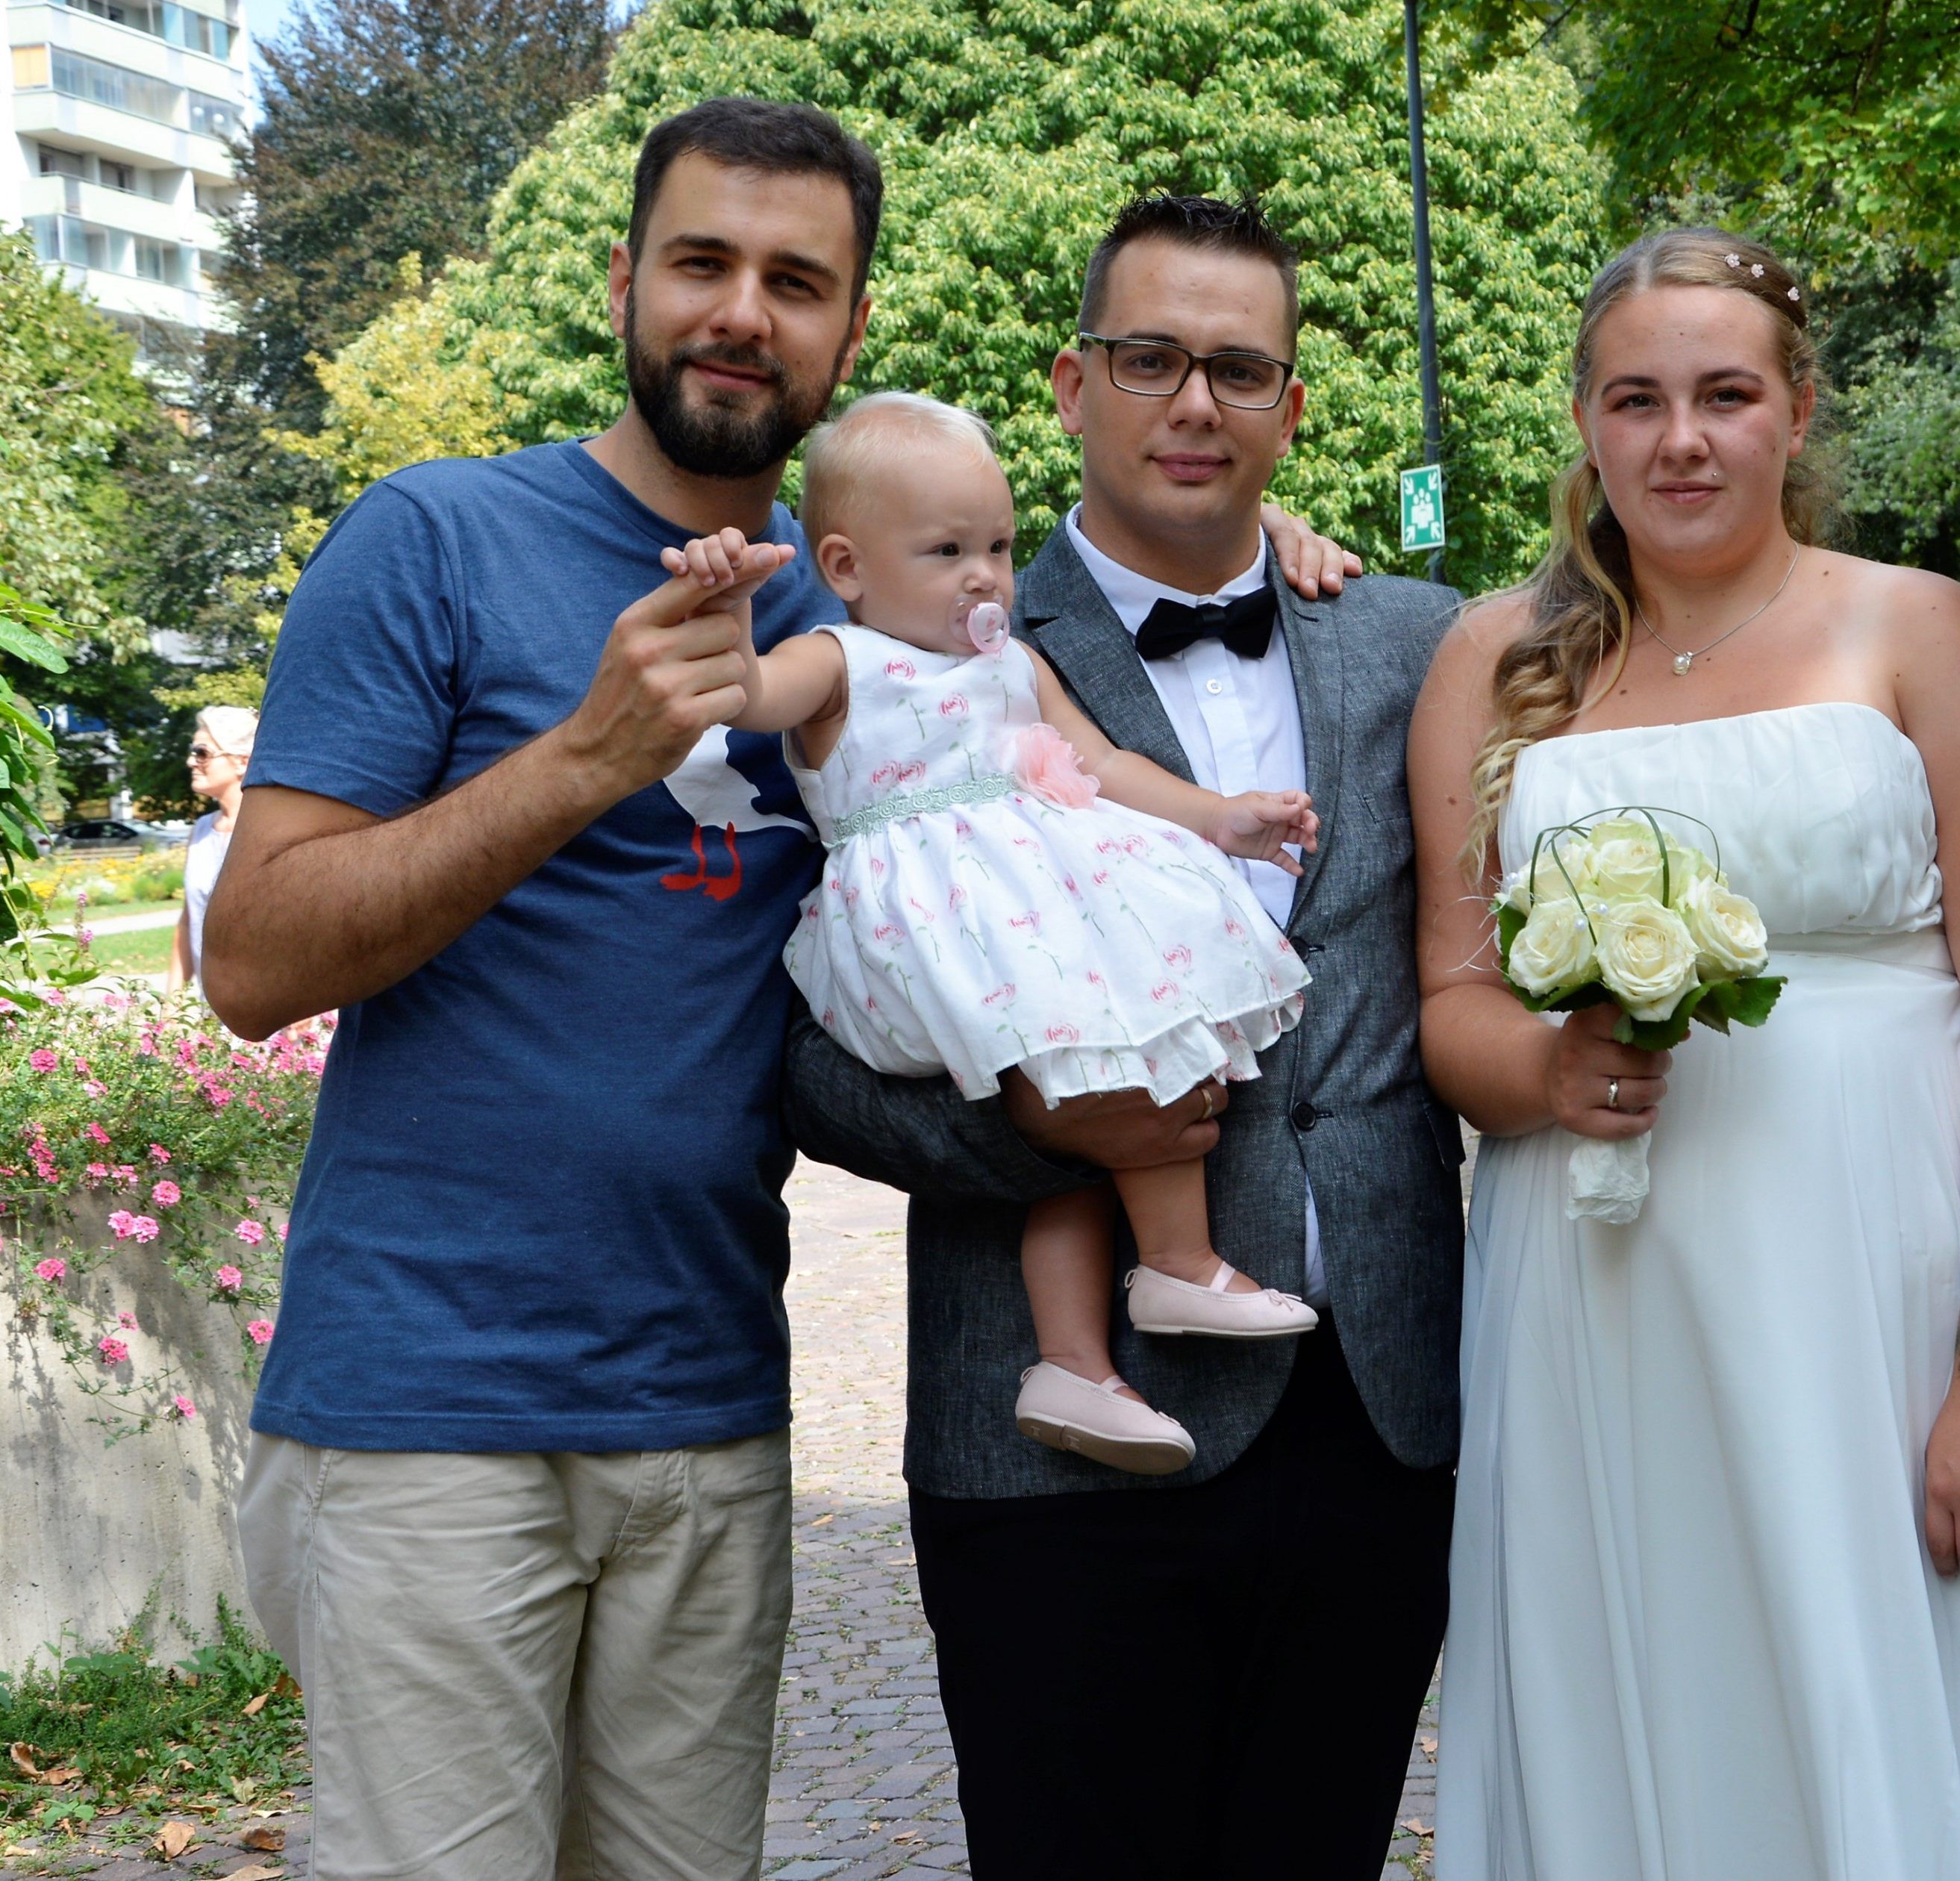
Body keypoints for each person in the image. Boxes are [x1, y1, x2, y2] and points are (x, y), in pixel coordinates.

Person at [199, 97, 884, 1880]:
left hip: (705, 1410)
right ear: (624, 285)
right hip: (430, 1409)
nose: (743, 310)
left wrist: (1283, 559)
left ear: (850, 327)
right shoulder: (433, 538)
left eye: (795, 279)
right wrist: (587, 752)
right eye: (703, 262)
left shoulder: (845, 619)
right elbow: (253, 959)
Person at [781, 193, 1461, 1880]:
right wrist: (1055, 1129)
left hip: (1370, 1406)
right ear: (1071, 381)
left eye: (1239, 368)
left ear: (1291, 409)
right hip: (1052, 1424)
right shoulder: (921, 649)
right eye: (1147, 356)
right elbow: (791, 1026)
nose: (1193, 402)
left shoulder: (1412, 637)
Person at [1414, 227, 1960, 1877]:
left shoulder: (1923, 633)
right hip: (1597, 1278)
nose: (1681, 439)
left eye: (1726, 394)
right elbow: (1451, 997)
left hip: (1872, 1273)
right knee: (1634, 1676)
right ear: (1583, 421)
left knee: (1875, 1685)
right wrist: (1543, 1074)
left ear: (1797, 411)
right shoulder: (1495, 665)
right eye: (1636, 399)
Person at [666, 389, 1322, 1475]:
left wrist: (1223, 819)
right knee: (1090, 1083)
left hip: (1036, 921)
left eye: (1000, 546)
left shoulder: (1013, 665)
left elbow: (1102, 767)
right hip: (926, 930)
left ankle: (1078, 1358)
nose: (984, 575)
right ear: (847, 565)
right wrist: (730, 615)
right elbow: (747, 694)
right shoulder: (844, 660)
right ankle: (1174, 1263)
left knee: (1098, 1084)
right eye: (946, 550)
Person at [169, 704, 253, 997]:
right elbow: (189, 918)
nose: (191, 762)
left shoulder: (270, 831)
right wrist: (173, 1004)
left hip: (272, 1012)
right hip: (212, 1010)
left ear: (242, 762)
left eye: (202, 753)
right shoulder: (201, 830)